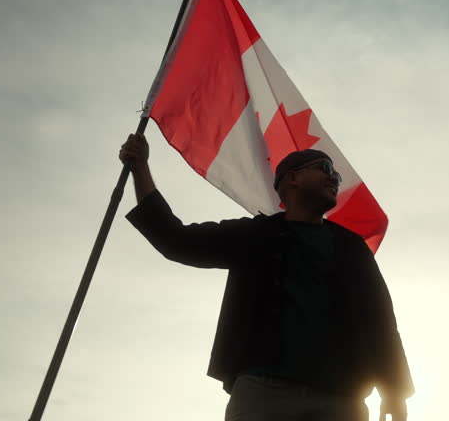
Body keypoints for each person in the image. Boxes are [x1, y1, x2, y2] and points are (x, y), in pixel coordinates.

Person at [119, 132, 413, 421]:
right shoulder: (255, 235)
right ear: (292, 179)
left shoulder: (351, 247)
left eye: (336, 173)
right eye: (324, 168)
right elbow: (176, 240)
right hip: (263, 392)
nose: (334, 177)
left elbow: (380, 320)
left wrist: (394, 390)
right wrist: (140, 167)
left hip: (341, 397)